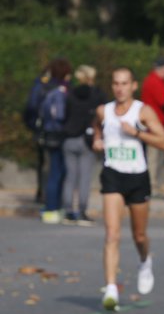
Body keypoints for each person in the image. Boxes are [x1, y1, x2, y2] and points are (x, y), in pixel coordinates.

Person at [92, 67, 164, 310]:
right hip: (112, 175)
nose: (120, 88)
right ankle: (111, 288)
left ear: (133, 85)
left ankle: (145, 260)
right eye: (116, 83)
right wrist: (96, 140)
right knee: (112, 233)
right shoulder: (103, 111)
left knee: (139, 235)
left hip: (137, 178)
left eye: (124, 83)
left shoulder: (142, 111)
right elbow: (96, 126)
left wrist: (136, 132)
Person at [61, 64, 105, 225]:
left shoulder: (70, 93)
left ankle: (68, 212)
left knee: (70, 178)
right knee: (84, 178)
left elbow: (64, 114)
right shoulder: (97, 95)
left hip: (69, 138)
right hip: (87, 139)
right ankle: (81, 211)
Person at [38, 58, 72, 224]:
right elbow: (59, 115)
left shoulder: (45, 87)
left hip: (47, 133)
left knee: (53, 171)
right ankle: (52, 208)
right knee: (57, 173)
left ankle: (51, 207)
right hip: (58, 135)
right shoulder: (60, 91)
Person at [24, 63, 55, 204]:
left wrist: (32, 125)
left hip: (40, 129)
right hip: (49, 129)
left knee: (42, 161)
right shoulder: (50, 87)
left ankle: (41, 192)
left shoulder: (38, 85)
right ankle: (46, 194)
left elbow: (30, 107)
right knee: (49, 162)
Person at [140, 57, 164, 190]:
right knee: (153, 157)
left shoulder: (153, 80)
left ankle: (152, 184)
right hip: (154, 125)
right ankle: (151, 185)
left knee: (154, 157)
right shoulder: (155, 82)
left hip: (154, 123)